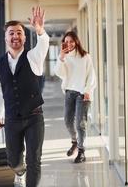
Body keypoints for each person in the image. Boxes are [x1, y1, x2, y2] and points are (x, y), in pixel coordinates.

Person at [0, 6, 49, 187]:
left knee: (34, 160)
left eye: (19, 32)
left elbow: (44, 44)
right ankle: (19, 170)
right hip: (11, 119)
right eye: (11, 33)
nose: (15, 36)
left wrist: (39, 30)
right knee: (14, 161)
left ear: (24, 37)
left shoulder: (34, 57)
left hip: (34, 117)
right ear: (6, 38)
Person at [54, 31, 96, 163]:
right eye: (66, 42)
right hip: (69, 92)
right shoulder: (64, 57)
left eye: (71, 41)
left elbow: (91, 75)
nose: (69, 44)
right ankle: (74, 141)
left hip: (82, 93)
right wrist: (61, 57)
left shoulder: (85, 56)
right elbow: (59, 73)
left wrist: (88, 90)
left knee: (80, 124)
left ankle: (81, 151)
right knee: (67, 121)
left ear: (76, 41)